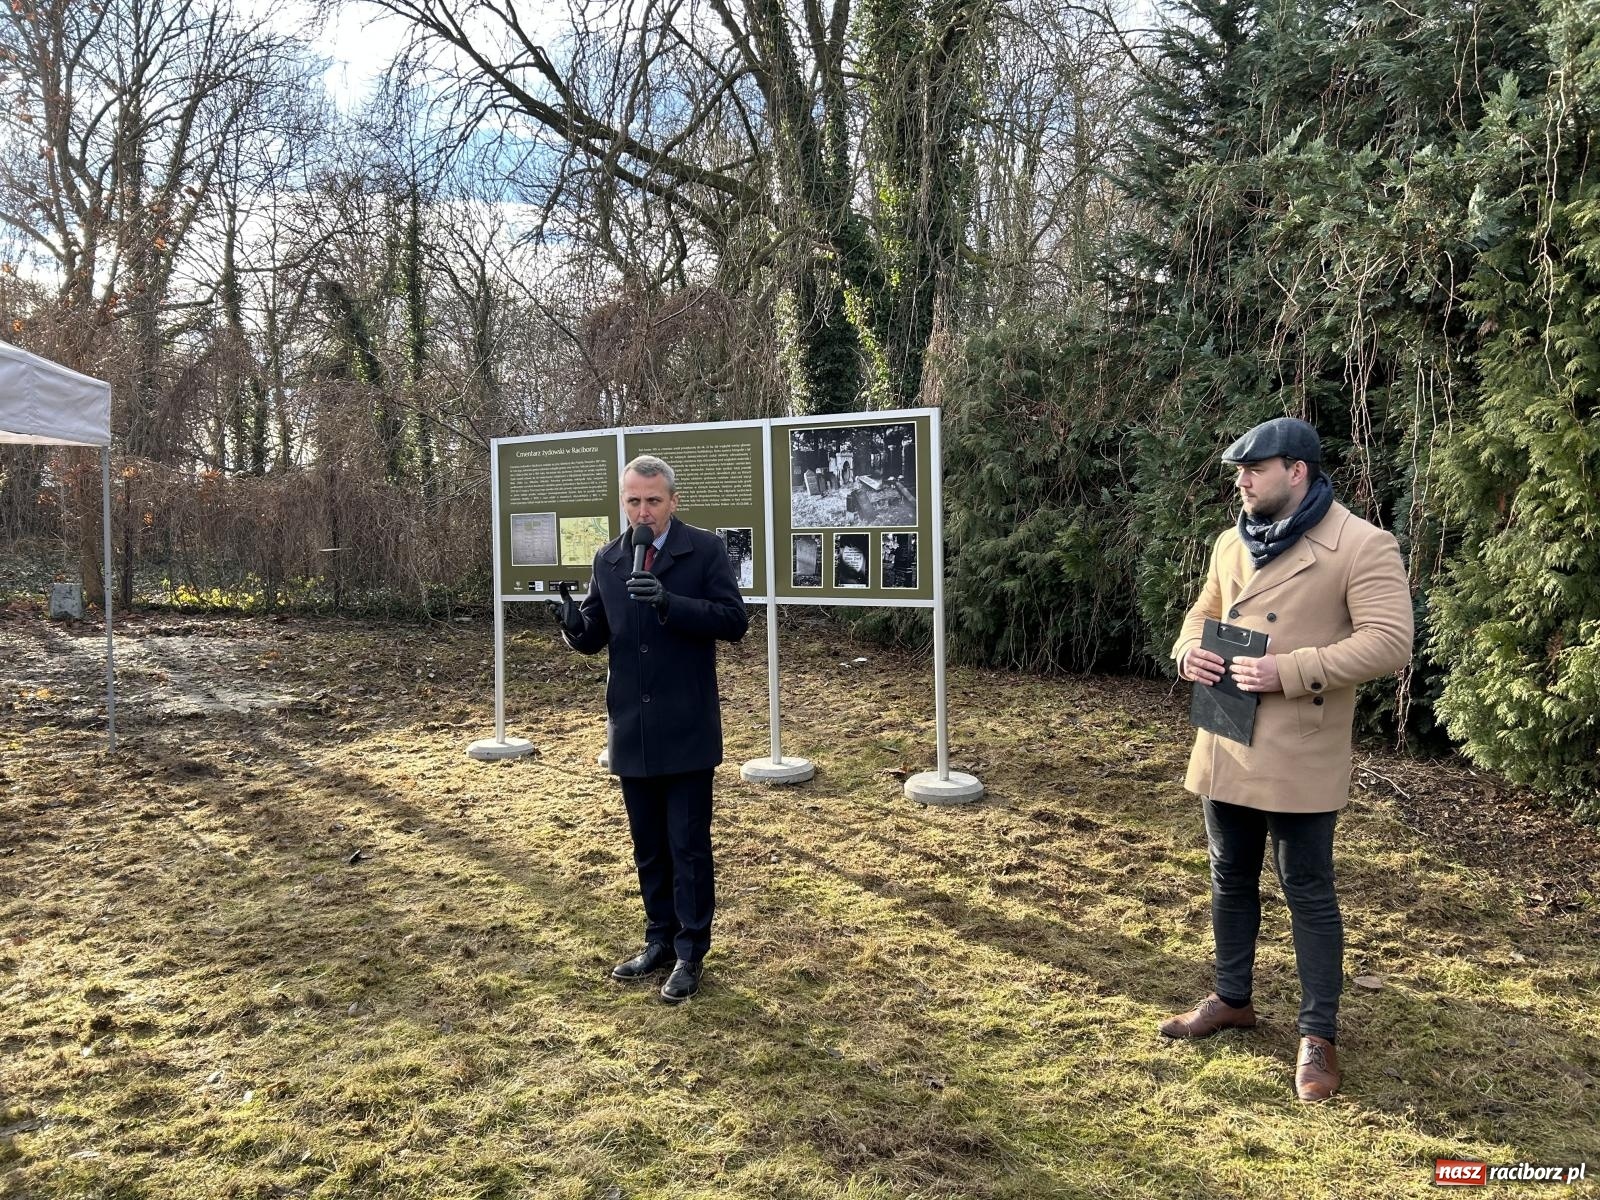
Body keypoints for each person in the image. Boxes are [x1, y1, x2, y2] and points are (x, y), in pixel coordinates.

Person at [1163, 417, 1413, 1102]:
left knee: (1306, 888)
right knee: (1229, 873)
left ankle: (1317, 1034)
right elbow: (1201, 611)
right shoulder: (1228, 542)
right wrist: (1189, 652)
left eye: (1256, 469)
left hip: (1300, 742)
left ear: (1296, 470)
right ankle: (1232, 997)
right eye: (1239, 471)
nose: (1242, 481)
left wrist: (1291, 670)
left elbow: (1390, 644)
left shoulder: (1361, 544)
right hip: (1224, 731)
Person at [556, 454, 749, 1003]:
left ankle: (692, 951)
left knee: (687, 845)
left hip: (686, 722)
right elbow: (597, 634)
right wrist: (574, 628)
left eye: (653, 501)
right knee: (648, 846)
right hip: (632, 724)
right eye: (634, 501)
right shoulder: (608, 558)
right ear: (624, 502)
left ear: (673, 501)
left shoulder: (704, 550)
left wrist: (671, 604)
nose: (644, 512)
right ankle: (659, 939)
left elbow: (733, 621)